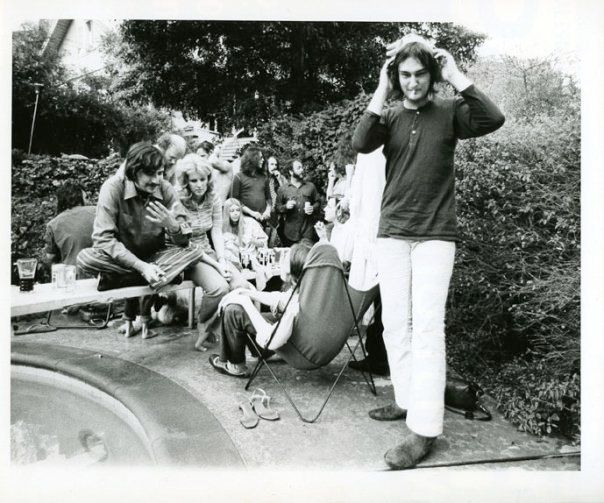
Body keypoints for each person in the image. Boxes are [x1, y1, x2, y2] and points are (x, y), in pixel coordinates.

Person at [352, 34, 505, 469]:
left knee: (427, 329)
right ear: (396, 77)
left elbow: (493, 117)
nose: (413, 82)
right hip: (393, 234)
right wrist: (381, 88)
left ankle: (424, 430)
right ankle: (406, 399)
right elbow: (360, 142)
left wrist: (454, 74)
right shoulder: (390, 116)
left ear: (431, 75)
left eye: (421, 74)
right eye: (405, 75)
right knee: (394, 326)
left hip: (436, 235)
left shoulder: (451, 112)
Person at [77, 142, 206, 339]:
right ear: (134, 172)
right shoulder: (113, 188)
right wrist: (141, 267)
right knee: (85, 258)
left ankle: (118, 279)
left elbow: (185, 239)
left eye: (160, 173)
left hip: (155, 257)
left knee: (195, 251)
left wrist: (173, 226)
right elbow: (103, 239)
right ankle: (162, 276)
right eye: (150, 174)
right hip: (125, 258)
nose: (156, 180)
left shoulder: (165, 188)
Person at [175, 154, 251, 350]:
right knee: (219, 288)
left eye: (203, 179)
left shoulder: (213, 197)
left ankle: (219, 327)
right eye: (194, 180)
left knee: (241, 284)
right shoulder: (178, 200)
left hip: (207, 249)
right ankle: (203, 325)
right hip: (187, 254)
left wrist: (223, 260)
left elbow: (216, 230)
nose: (199, 185)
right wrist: (217, 265)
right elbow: (185, 243)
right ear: (186, 181)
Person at [209, 242, 311, 377]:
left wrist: (245, 302)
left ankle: (236, 366)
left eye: (285, 259)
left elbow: (270, 339)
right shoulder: (305, 292)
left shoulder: (294, 308)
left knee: (234, 310)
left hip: (285, 346)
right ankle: (263, 354)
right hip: (294, 340)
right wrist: (245, 293)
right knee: (243, 307)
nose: (281, 261)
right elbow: (279, 298)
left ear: (292, 270)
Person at [44, 181, 95, 270]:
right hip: (103, 272)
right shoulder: (98, 211)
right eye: (86, 197)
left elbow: (50, 257)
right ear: (79, 198)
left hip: (71, 273)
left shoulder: (53, 224)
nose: (88, 201)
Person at [275, 160, 320, 246]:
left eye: (302, 167)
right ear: (291, 172)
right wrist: (285, 207)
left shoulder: (311, 186)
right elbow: (277, 208)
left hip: (308, 232)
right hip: (290, 233)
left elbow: (318, 202)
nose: (302, 170)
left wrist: (313, 208)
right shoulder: (283, 189)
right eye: (298, 168)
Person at [222, 198, 268, 269]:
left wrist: (252, 240)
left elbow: (263, 244)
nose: (235, 213)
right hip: (232, 262)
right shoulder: (222, 227)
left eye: (238, 210)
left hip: (252, 260)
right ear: (226, 213)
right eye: (232, 211)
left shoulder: (250, 222)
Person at [230, 145, 271, 224]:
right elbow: (234, 201)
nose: (263, 160)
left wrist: (268, 211)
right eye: (260, 158)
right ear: (252, 159)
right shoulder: (238, 177)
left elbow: (268, 198)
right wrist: (252, 213)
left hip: (262, 219)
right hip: (245, 220)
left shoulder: (264, 177)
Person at [266, 155, 287, 246]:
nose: (274, 167)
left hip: (279, 213)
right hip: (266, 212)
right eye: (271, 164)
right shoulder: (263, 178)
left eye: (275, 165)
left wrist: (279, 179)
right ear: (266, 165)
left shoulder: (281, 178)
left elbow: (286, 193)